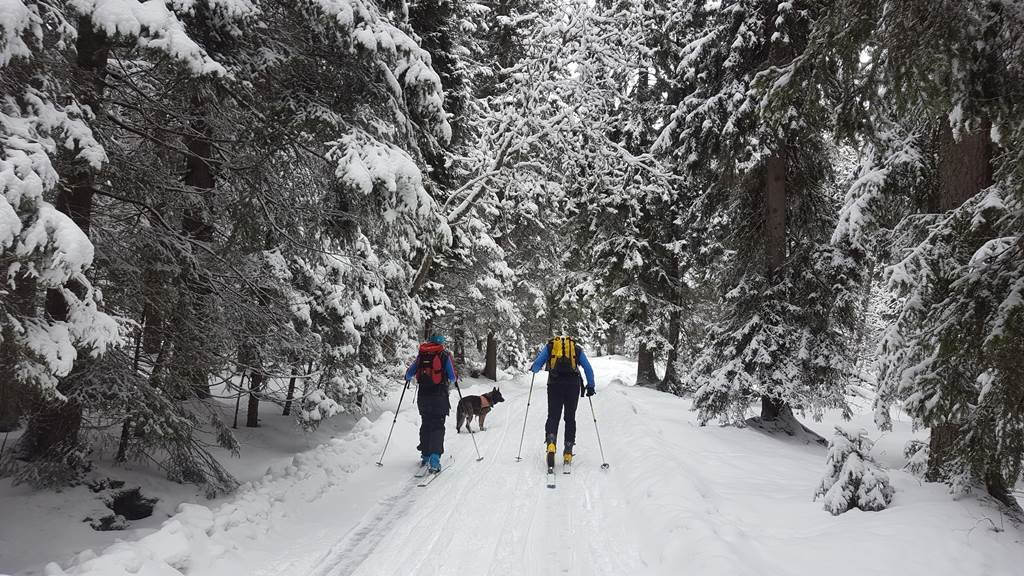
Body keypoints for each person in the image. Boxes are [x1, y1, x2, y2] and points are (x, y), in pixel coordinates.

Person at [529, 335, 595, 465]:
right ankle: (568, 452)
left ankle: (551, 444)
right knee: (570, 418)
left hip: (554, 384)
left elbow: (537, 365)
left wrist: (534, 369)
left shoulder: (550, 347)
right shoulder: (576, 349)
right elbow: (588, 368)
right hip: (573, 386)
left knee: (553, 416)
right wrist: (591, 385)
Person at [405, 334, 457, 473]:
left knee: (426, 424)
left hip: (423, 396)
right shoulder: (444, 355)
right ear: (442, 343)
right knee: (437, 426)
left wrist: (409, 377)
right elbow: (452, 376)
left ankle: (425, 456)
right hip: (439, 397)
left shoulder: (422, 354)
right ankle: (434, 461)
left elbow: (409, 374)